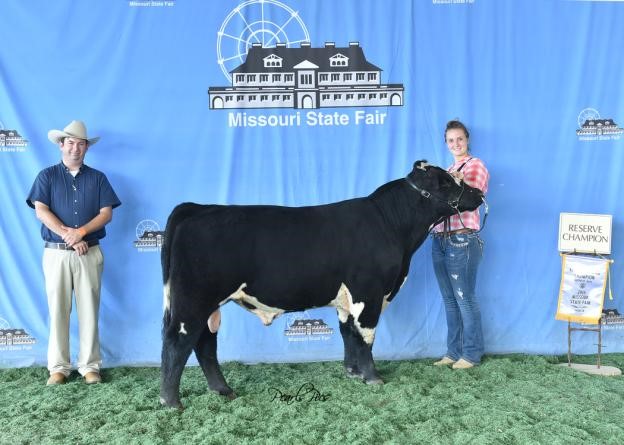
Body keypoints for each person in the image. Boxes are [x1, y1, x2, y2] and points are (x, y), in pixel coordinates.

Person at [27, 120, 121, 385]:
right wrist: (70, 236)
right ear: (61, 144)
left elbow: (106, 213)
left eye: (81, 144)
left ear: (87, 148)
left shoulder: (98, 178)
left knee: (89, 309)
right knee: (58, 309)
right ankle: (58, 367)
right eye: (71, 143)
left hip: (89, 252)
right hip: (56, 254)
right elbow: (41, 210)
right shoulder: (46, 176)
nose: (76, 148)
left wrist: (80, 234)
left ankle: (90, 366)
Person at [431, 119, 489, 370]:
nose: (456, 144)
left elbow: (472, 197)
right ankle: (453, 352)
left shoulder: (475, 165)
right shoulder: (446, 170)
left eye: (460, 139)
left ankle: (472, 353)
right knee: (449, 299)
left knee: (465, 298)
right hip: (440, 238)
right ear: (446, 143)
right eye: (451, 140)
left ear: (467, 140)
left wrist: (454, 182)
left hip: (462, 239)